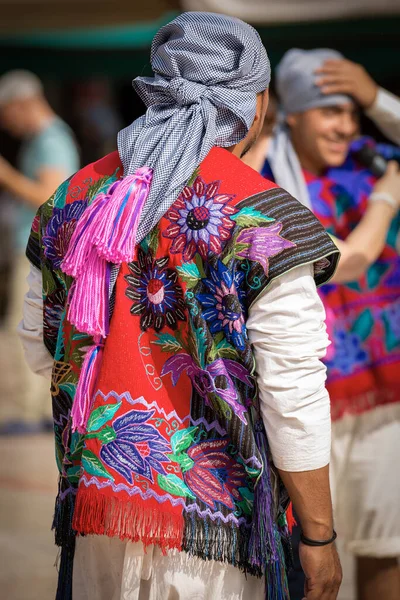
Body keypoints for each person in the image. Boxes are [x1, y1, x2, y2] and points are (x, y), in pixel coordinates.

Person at [19, 15, 342, 600]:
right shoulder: (265, 217)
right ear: (257, 102)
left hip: (99, 514)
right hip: (220, 536)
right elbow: (292, 392)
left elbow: (42, 345)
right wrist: (318, 537)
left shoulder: (74, 197)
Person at [262, 49, 400, 600]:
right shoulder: (264, 179)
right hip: (302, 403)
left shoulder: (366, 158)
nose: (346, 125)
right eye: (329, 111)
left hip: (382, 395)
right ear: (291, 113)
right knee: (312, 562)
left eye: (352, 111)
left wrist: (375, 96)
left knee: (386, 547)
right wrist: (388, 198)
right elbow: (347, 260)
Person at [0, 70, 80, 431]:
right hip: (35, 249)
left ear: (22, 104)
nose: (6, 123)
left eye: (6, 113)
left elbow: (50, 197)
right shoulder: (43, 140)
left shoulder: (52, 140)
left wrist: (5, 176)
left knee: (26, 329)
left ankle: (30, 415)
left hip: (38, 251)